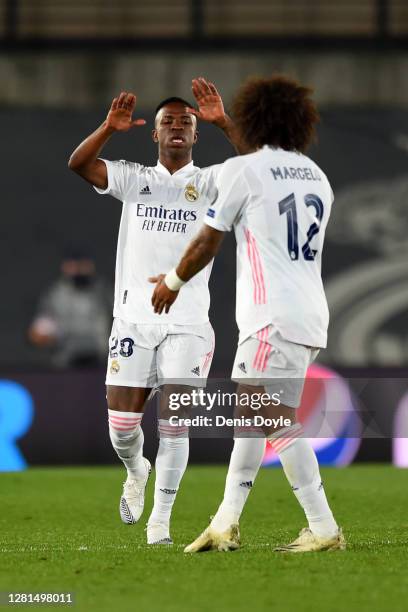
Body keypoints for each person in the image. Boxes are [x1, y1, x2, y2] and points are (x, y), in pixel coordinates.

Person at [151, 75, 345, 553]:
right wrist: (223, 124)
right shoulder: (316, 175)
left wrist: (172, 282)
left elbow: (207, 239)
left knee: (271, 418)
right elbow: (264, 167)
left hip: (269, 316)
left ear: (254, 118)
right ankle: (225, 522)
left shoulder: (243, 171)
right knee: (252, 419)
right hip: (309, 315)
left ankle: (323, 527)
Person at [68, 78, 241, 545]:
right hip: (132, 321)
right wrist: (107, 127)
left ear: (195, 133)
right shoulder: (134, 178)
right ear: (156, 134)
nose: (178, 128)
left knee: (174, 424)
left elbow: (256, 167)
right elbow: (79, 164)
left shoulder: (209, 182)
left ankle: (159, 524)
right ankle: (135, 469)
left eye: (186, 122)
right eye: (169, 122)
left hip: (187, 324)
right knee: (123, 429)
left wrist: (224, 120)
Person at [28, 249, 112, 368]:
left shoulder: (103, 291)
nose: (78, 269)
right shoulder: (55, 294)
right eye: (73, 266)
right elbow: (40, 328)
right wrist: (42, 334)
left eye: (83, 265)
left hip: (101, 358)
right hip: (66, 359)